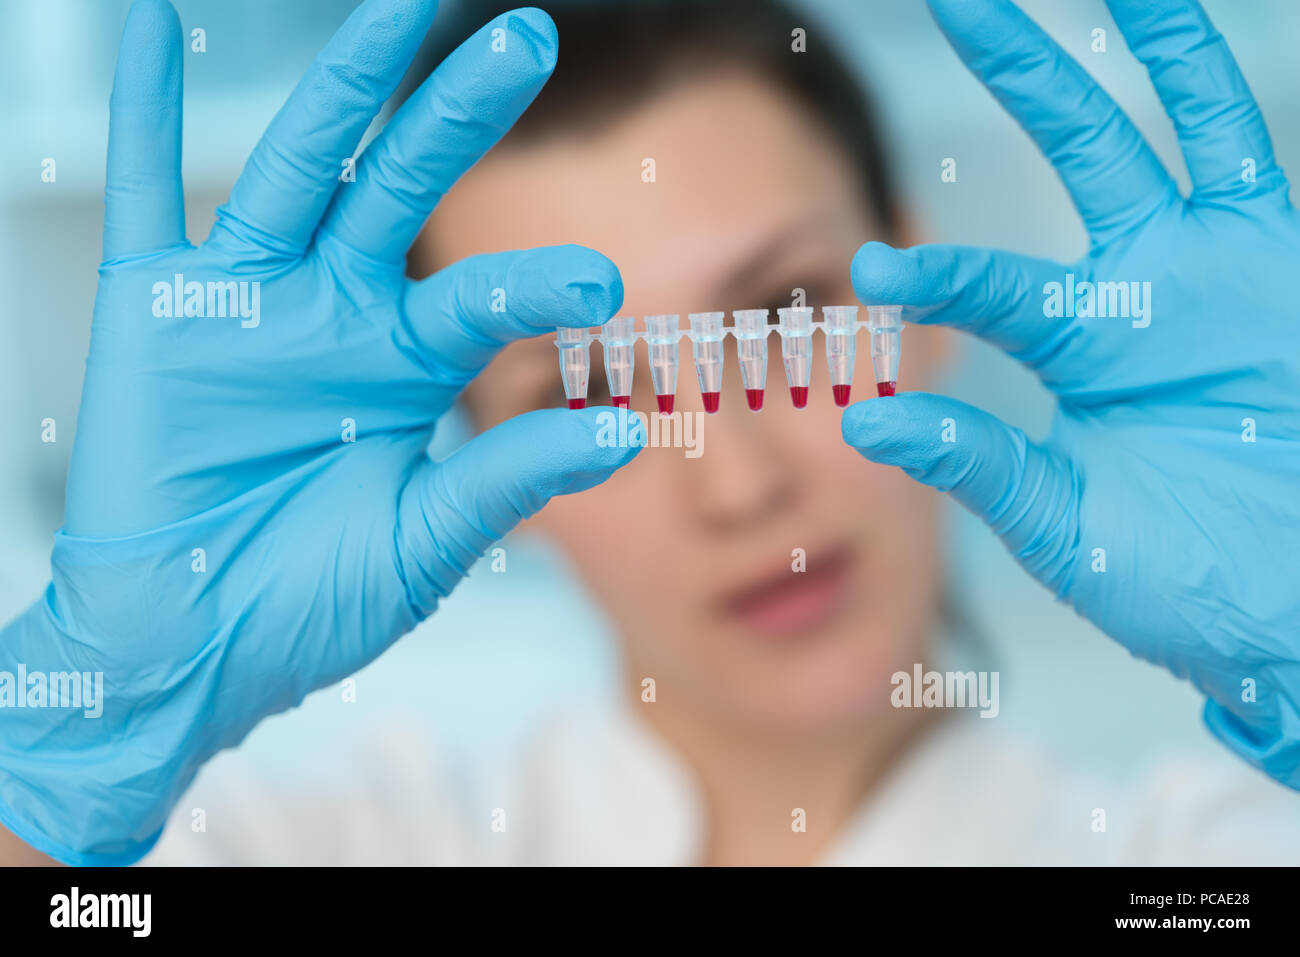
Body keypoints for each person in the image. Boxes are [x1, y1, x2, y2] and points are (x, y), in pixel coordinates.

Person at [1, 0, 1297, 867]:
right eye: (581, 396)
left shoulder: (1200, 858)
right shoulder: (334, 841)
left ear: (919, 292)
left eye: (788, 316)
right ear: (469, 452)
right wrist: (74, 742)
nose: (736, 486)